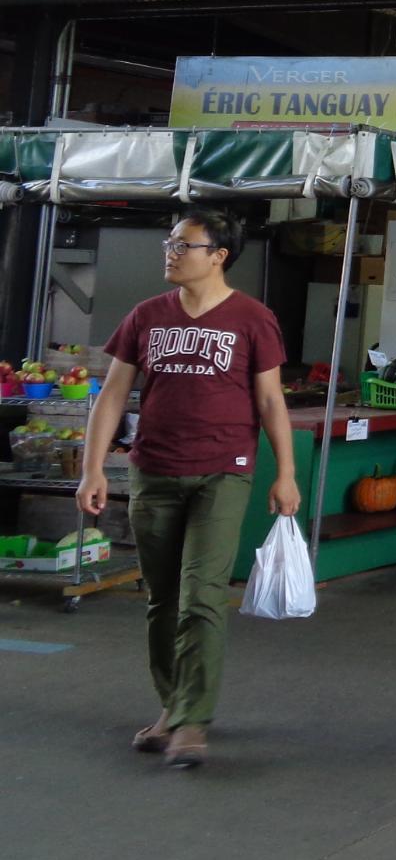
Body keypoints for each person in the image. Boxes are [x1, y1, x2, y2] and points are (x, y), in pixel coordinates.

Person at [78, 210, 298, 770]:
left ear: (219, 254)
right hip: (153, 470)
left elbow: (271, 401)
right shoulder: (146, 316)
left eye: (184, 244)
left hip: (225, 470)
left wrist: (286, 473)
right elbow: (111, 396)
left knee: (201, 597)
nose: (171, 252)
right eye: (170, 243)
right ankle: (172, 708)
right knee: (162, 600)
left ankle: (193, 721)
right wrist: (93, 468)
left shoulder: (253, 318)